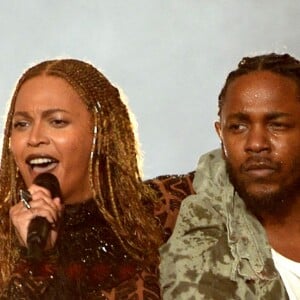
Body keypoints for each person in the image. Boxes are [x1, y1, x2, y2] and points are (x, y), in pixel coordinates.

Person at [0, 58, 195, 299]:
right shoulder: (4, 240)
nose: (34, 137)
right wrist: (36, 260)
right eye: (21, 124)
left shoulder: (165, 208)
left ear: (100, 132)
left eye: (57, 121)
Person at [160, 53, 300, 299]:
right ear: (220, 133)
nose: (256, 144)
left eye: (276, 125)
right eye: (238, 127)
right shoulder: (203, 238)